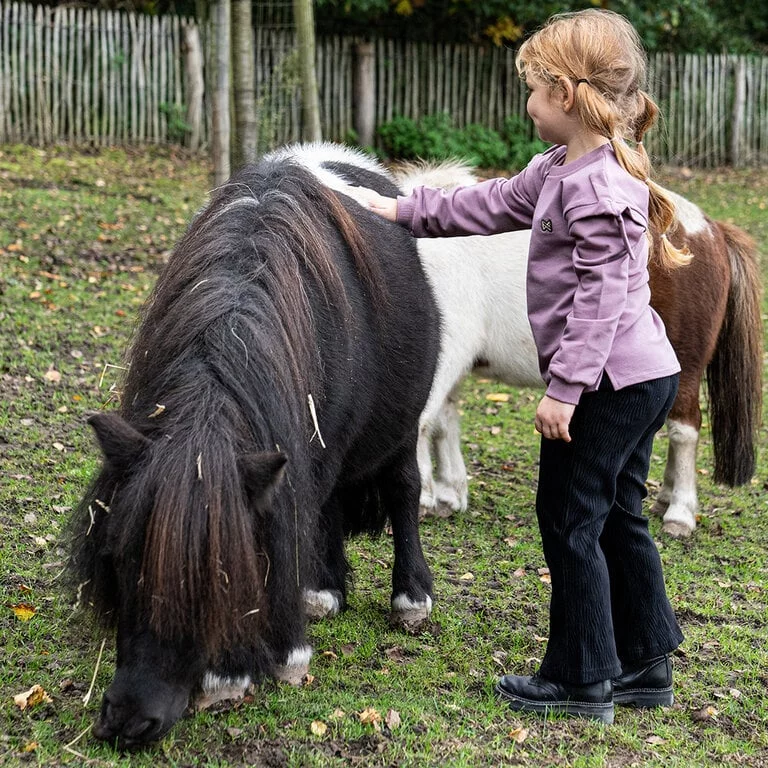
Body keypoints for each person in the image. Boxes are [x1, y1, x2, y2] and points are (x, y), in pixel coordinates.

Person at [351, 8, 687, 724]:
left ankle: (581, 678)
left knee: (570, 520)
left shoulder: (594, 189)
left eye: (533, 89)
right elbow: (489, 202)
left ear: (565, 95)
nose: (528, 104)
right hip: (640, 374)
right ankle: (646, 664)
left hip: (610, 383)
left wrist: (564, 390)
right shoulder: (566, 168)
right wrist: (399, 208)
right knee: (619, 517)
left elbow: (599, 302)